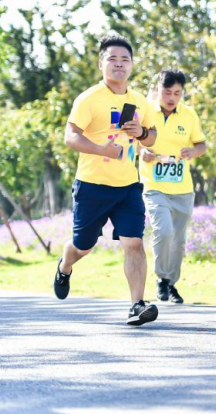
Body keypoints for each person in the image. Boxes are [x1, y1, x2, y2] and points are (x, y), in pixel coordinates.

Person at [54, 33, 160, 326]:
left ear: (132, 65)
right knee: (83, 246)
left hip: (128, 187)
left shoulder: (139, 100)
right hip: (92, 186)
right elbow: (71, 136)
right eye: (112, 59)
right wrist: (102, 150)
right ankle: (65, 265)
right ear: (101, 64)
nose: (119, 64)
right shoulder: (89, 98)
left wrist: (141, 133)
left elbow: (152, 135)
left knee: (134, 243)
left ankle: (137, 305)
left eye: (125, 59)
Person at [139, 69, 207, 304]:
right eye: (167, 92)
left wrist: (193, 152)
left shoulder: (189, 115)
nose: (172, 98)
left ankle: (171, 283)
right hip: (154, 185)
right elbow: (131, 141)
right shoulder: (146, 112)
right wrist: (142, 152)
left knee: (178, 239)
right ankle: (161, 277)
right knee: (163, 230)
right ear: (158, 89)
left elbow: (201, 145)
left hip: (182, 189)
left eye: (177, 93)